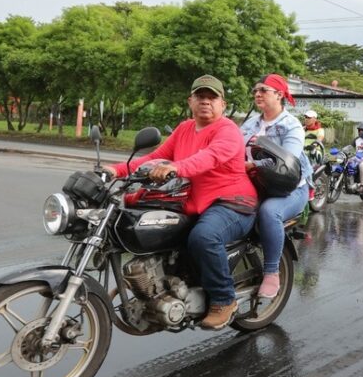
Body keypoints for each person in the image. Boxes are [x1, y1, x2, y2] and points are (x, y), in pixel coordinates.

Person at [104, 75, 258, 331]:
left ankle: (224, 299)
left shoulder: (228, 130)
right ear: (191, 101)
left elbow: (209, 157)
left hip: (232, 202)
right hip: (194, 201)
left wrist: (175, 167)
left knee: (204, 237)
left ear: (223, 103)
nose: (205, 102)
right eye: (200, 96)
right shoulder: (185, 128)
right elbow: (155, 157)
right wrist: (115, 170)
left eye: (212, 97)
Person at [241, 74, 312, 299]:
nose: (257, 94)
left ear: (279, 95)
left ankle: (272, 272)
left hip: (289, 188)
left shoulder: (291, 126)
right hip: (255, 183)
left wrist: (252, 164)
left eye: (263, 90)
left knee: (269, 212)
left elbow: (286, 162)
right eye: (255, 91)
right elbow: (233, 147)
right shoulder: (250, 123)